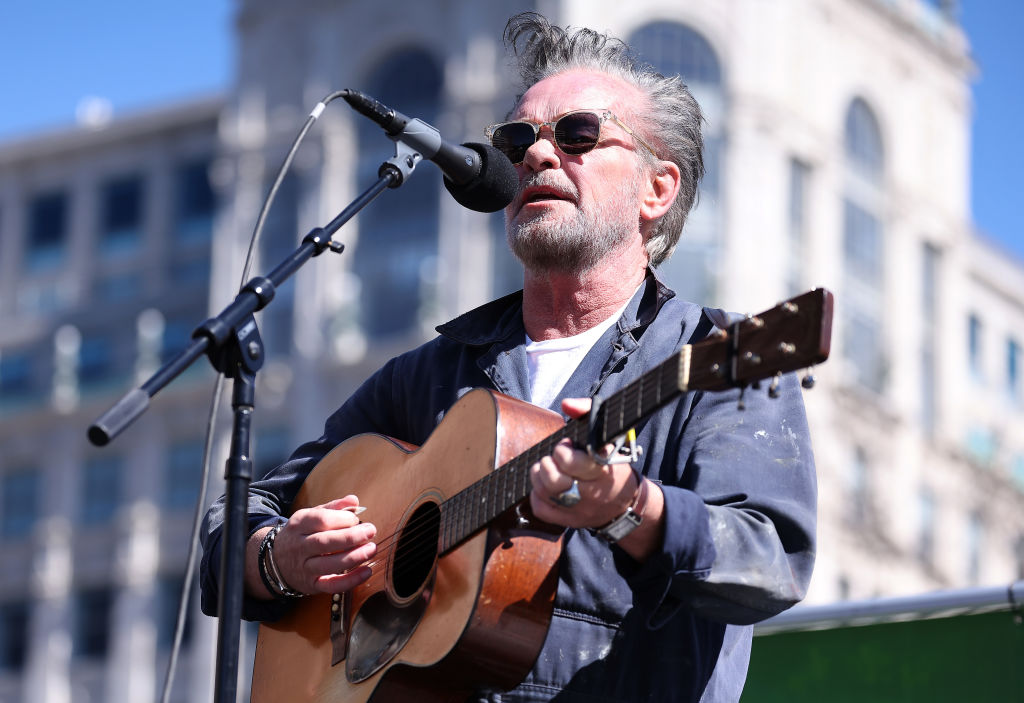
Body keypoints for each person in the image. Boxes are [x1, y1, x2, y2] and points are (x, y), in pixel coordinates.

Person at [200, 12, 817, 702]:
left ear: (658, 190)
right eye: (518, 137)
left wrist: (631, 508)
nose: (536, 155)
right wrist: (277, 559)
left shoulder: (714, 361)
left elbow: (769, 564)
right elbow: (237, 519)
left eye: (578, 134)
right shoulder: (429, 374)